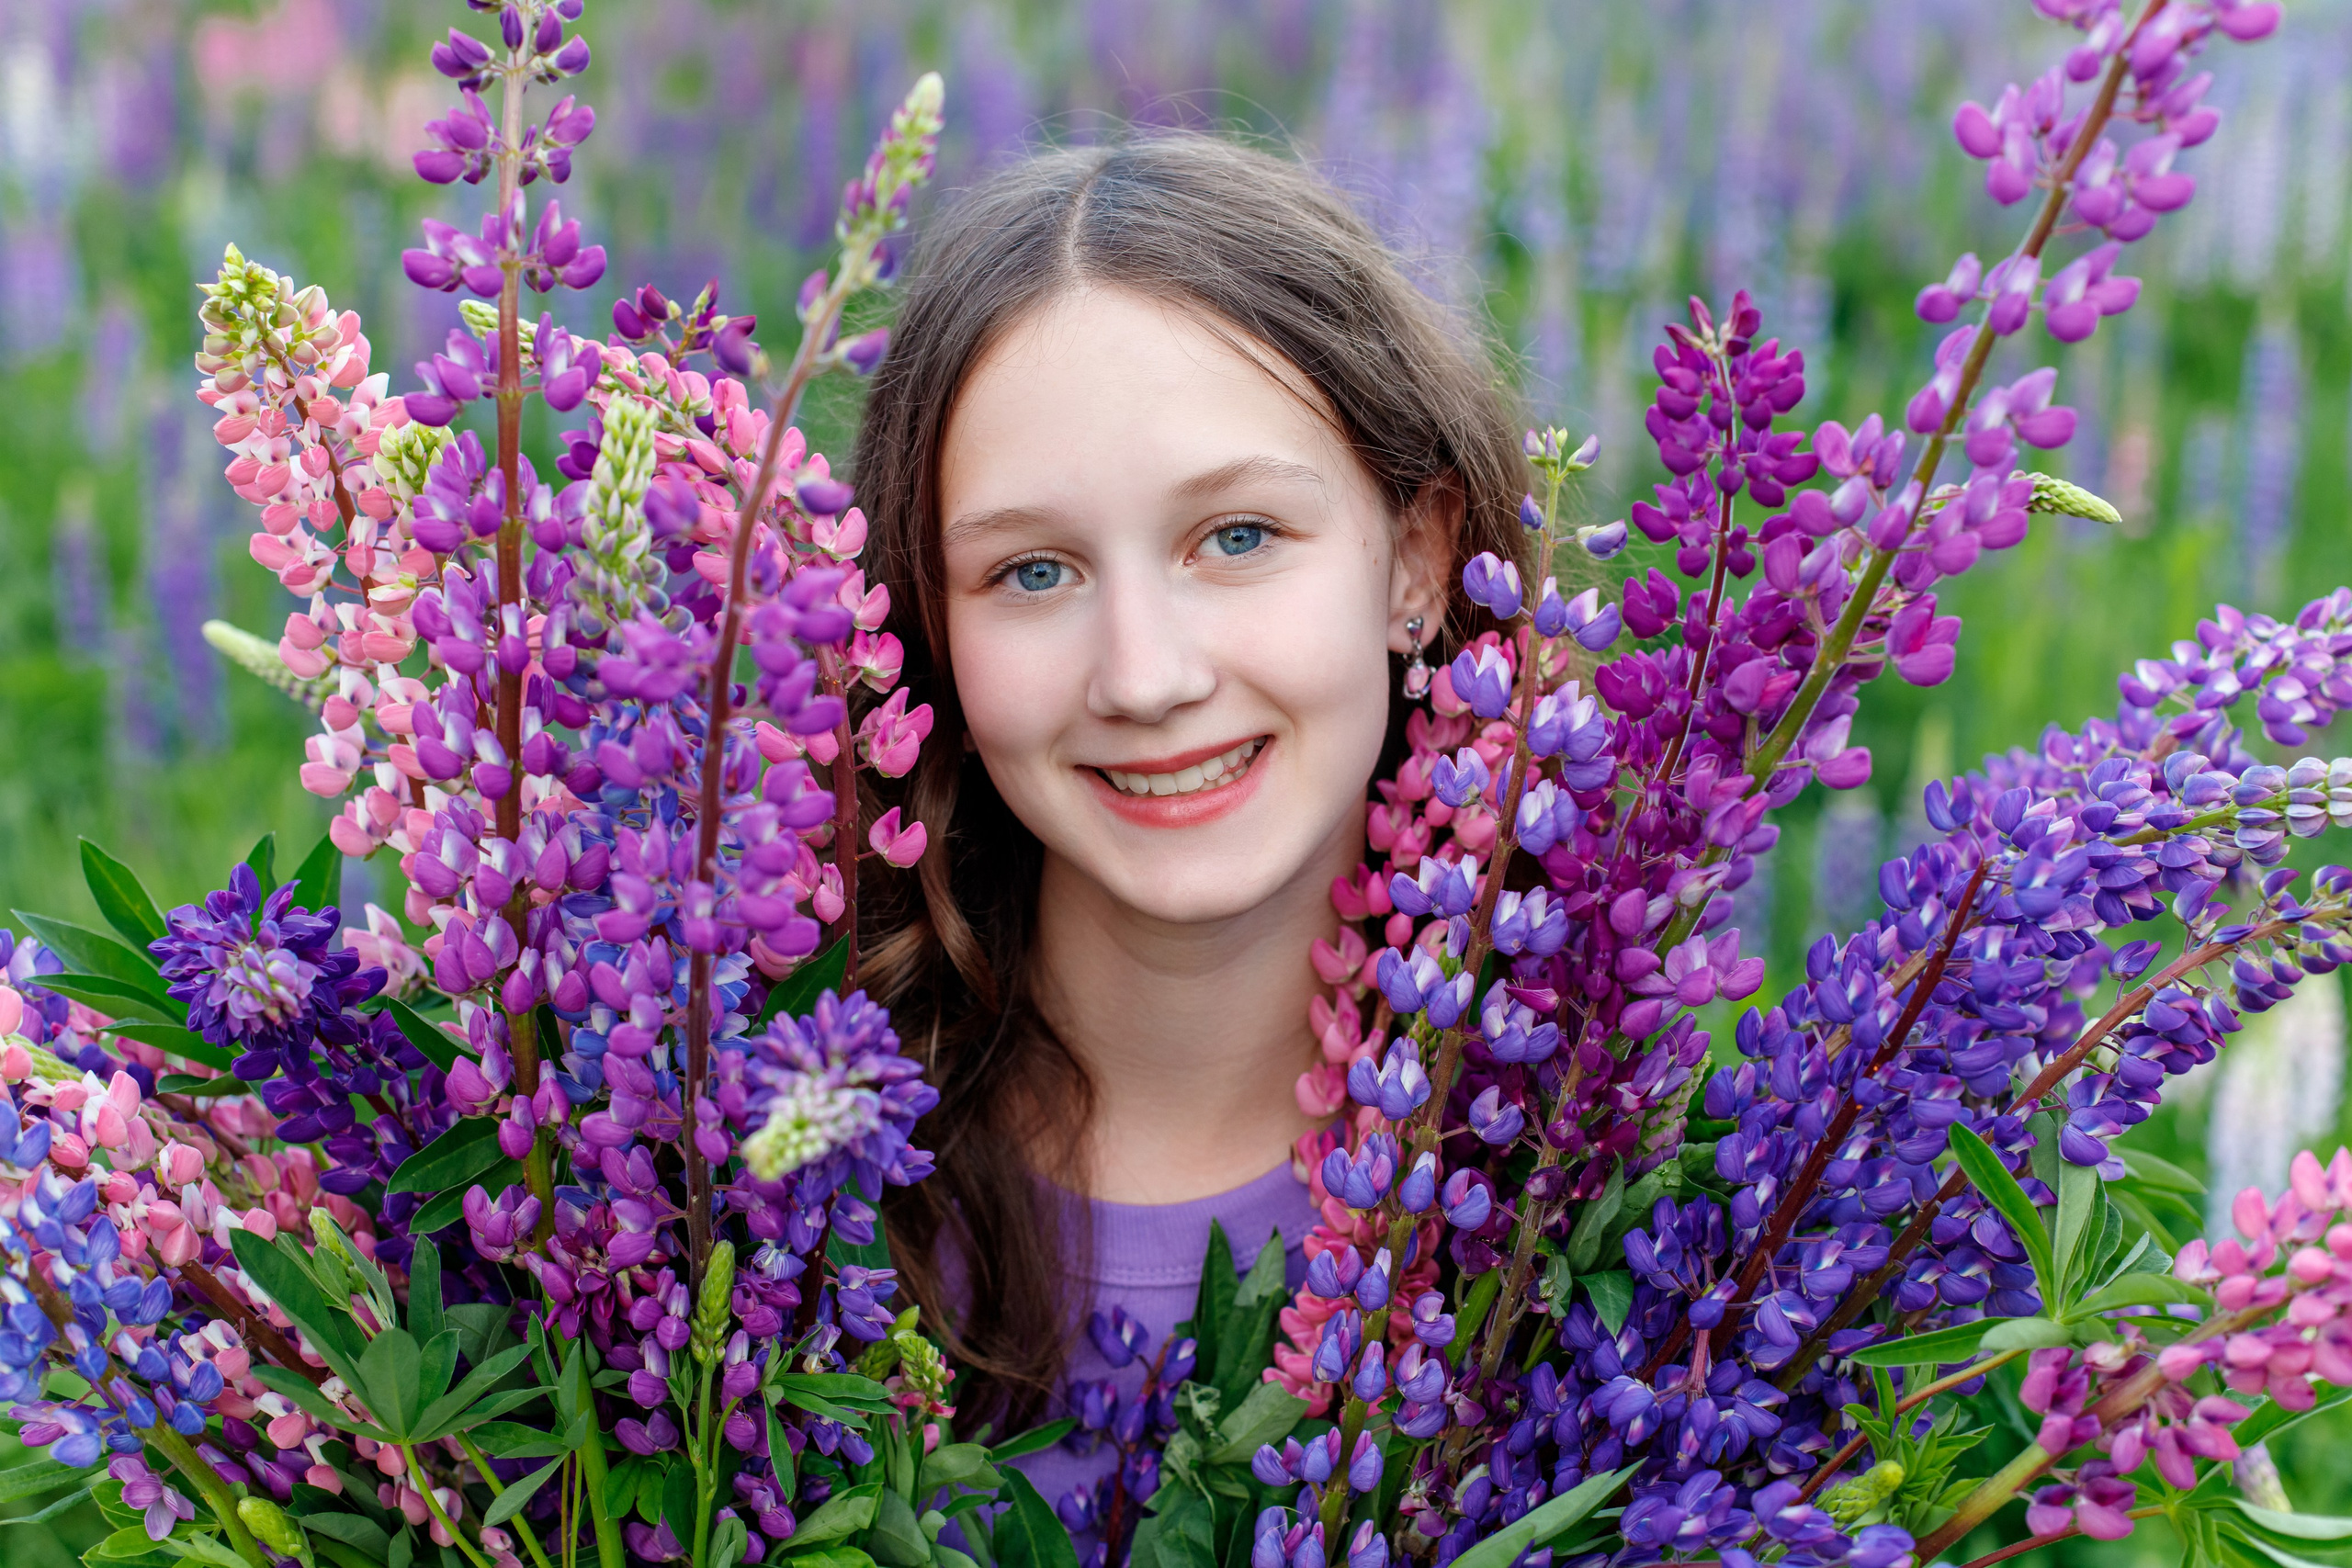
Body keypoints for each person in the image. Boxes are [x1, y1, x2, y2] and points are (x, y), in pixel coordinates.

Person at [849, 130, 1532, 1521]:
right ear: (924, 626)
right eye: (1031, 571)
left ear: (1413, 559)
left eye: (1234, 538)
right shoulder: (769, 1176)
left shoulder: (1574, 1160)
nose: (1147, 676)